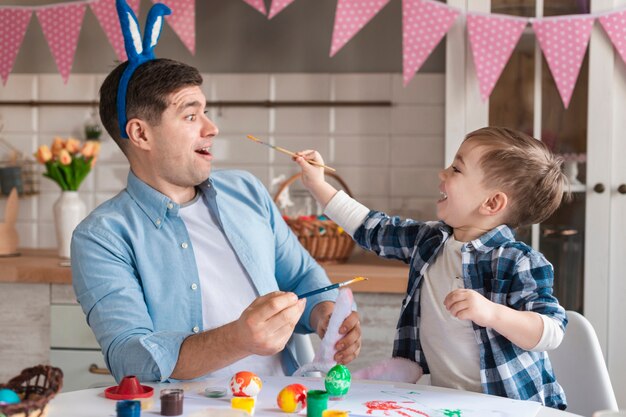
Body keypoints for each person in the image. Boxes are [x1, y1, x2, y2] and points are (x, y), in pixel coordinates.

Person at [71, 56, 361, 383]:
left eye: (205, 112)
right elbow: (130, 356)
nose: (211, 128)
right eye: (191, 115)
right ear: (140, 134)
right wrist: (238, 339)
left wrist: (324, 312)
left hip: (285, 402)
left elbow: (301, 276)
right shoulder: (101, 237)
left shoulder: (245, 190)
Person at [293, 127, 569, 409]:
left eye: (457, 169)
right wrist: (317, 183)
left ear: (492, 203)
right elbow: (370, 227)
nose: (443, 173)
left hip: (509, 405)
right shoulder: (430, 240)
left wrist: (493, 313)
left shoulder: (518, 261)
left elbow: (551, 331)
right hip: (443, 402)